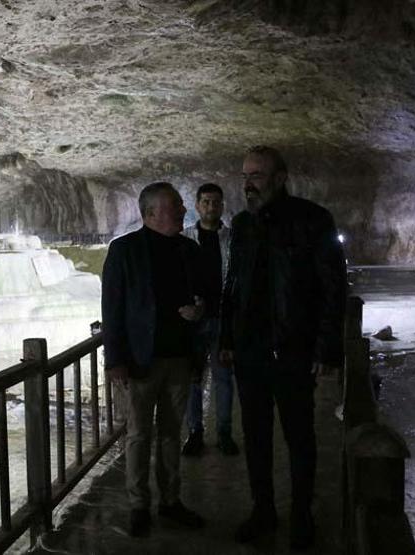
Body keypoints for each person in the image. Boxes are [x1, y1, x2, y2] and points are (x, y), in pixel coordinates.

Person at [219, 146, 346, 550]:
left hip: (293, 350)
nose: (248, 184)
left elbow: (332, 288)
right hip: (250, 353)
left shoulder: (312, 220)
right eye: (244, 176)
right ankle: (263, 510)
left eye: (256, 175)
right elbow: (233, 285)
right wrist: (226, 338)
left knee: (299, 436)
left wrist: (327, 350)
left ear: (280, 177)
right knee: (255, 437)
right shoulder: (242, 224)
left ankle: (302, 515)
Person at [102, 181, 206, 537]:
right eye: (175, 205)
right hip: (139, 361)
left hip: (179, 357)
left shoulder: (189, 250)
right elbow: (112, 308)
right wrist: (114, 359)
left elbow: (204, 295)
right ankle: (138, 505)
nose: (183, 210)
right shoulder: (124, 250)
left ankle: (170, 501)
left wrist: (200, 311)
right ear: (150, 213)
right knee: (138, 435)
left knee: (171, 434)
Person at [181, 183, 239, 457]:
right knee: (193, 378)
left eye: (216, 202)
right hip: (194, 321)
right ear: (197, 205)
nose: (211, 207)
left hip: (223, 318)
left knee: (223, 378)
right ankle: (195, 432)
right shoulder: (185, 238)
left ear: (222, 206)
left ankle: (224, 433)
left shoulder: (231, 239)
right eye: (206, 202)